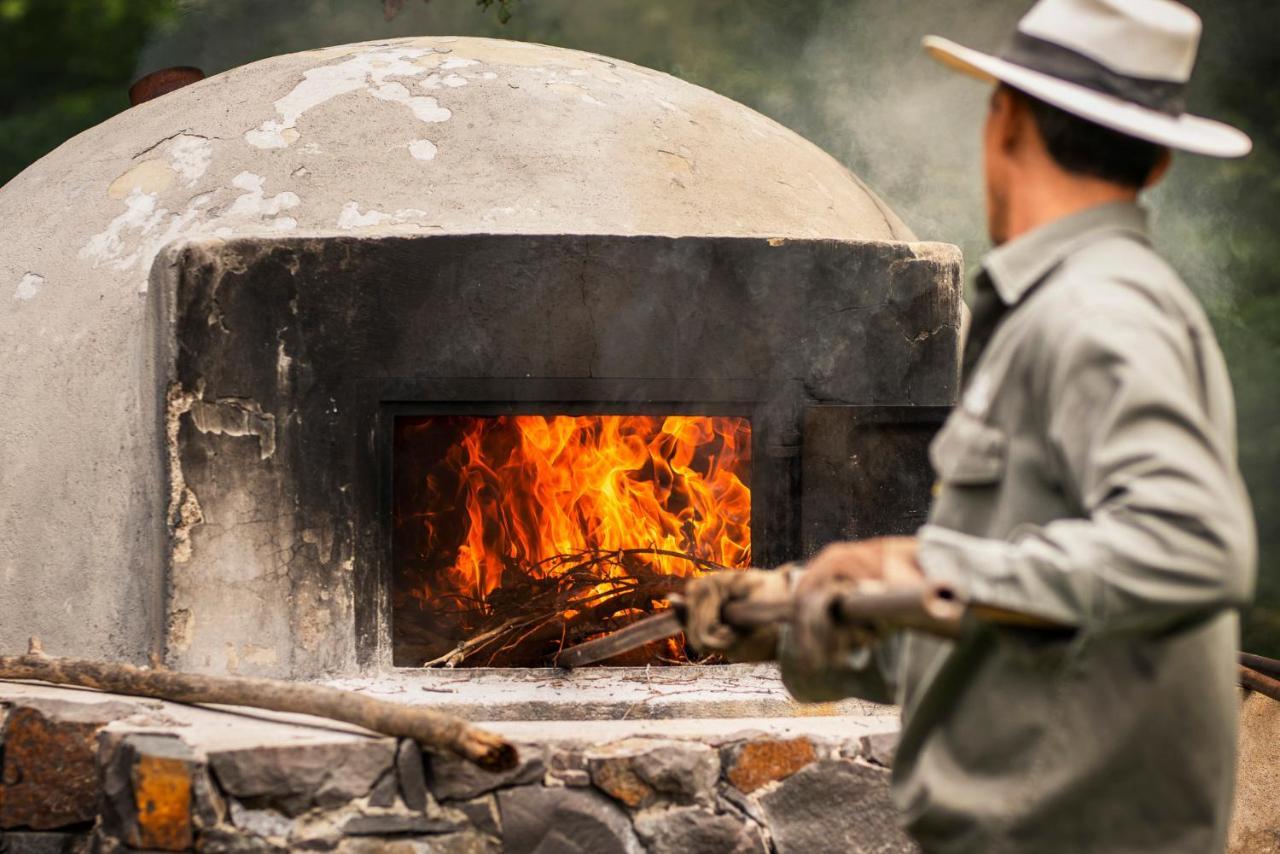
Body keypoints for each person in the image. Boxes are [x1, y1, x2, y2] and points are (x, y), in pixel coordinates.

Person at [684, 1, 1258, 851]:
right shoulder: (1059, 310)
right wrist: (792, 621)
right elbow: (1010, 619)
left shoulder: (1099, 312)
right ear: (1161, 161)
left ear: (1006, 118)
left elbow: (1194, 547)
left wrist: (920, 561)